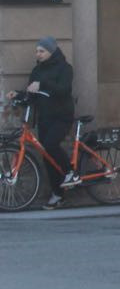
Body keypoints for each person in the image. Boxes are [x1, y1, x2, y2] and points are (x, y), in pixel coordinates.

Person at [8, 37, 74, 209]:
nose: (38, 54)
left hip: (62, 116)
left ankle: (70, 173)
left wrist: (43, 83)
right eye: (37, 51)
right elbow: (32, 94)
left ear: (51, 52)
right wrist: (18, 94)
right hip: (44, 118)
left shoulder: (65, 68)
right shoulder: (37, 70)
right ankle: (58, 194)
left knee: (51, 145)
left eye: (41, 51)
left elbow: (64, 89)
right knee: (47, 157)